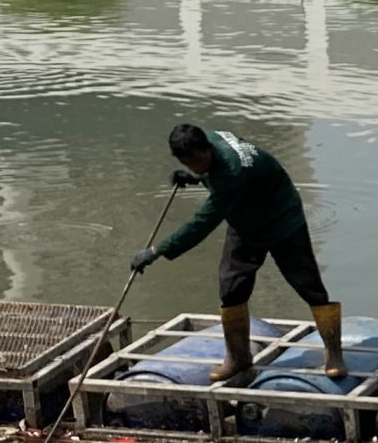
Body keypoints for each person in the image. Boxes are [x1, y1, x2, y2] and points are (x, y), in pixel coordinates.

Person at [131, 123, 342, 383]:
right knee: (231, 288)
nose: (195, 166)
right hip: (244, 219)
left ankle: (334, 353)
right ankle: (238, 356)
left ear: (207, 148)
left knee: (308, 285)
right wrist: (199, 178)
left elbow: (203, 223)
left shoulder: (231, 173)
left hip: (282, 219)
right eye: (188, 164)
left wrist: (158, 250)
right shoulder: (214, 141)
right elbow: (224, 177)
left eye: (198, 161)